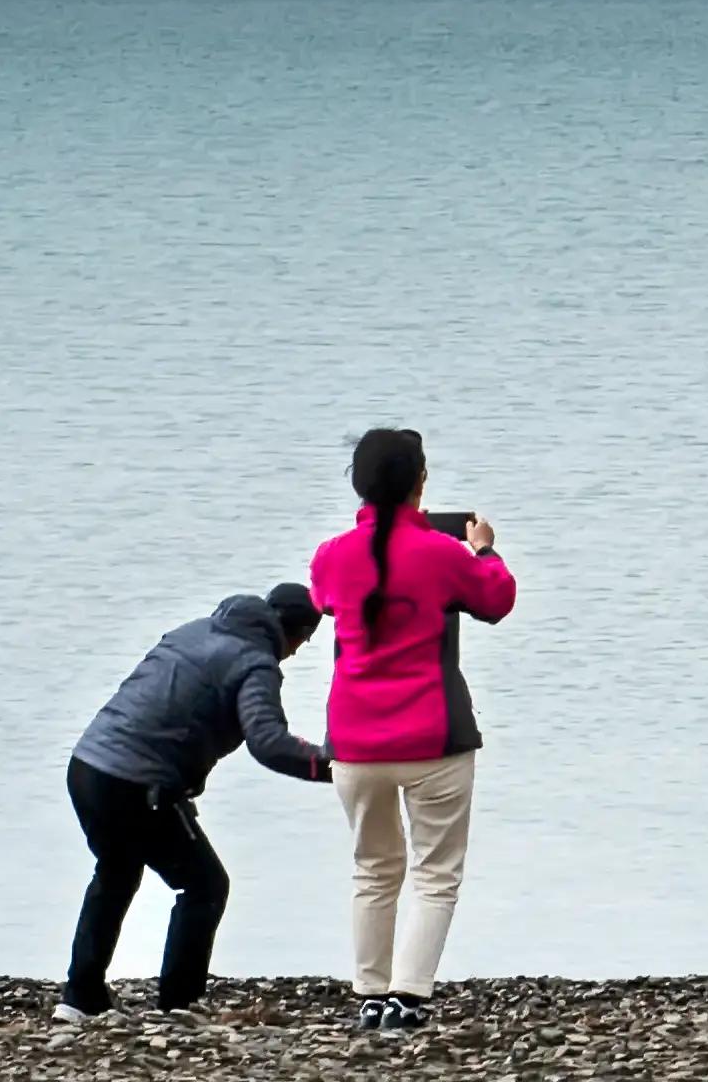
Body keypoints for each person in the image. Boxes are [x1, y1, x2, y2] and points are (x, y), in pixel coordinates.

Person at [304, 427, 516, 1036]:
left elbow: (322, 600)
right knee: (435, 871)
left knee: (372, 868)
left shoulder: (331, 555)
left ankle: (371, 993)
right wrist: (484, 550)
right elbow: (497, 600)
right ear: (420, 483)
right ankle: (408, 995)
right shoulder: (443, 554)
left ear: (358, 486)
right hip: (434, 737)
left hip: (355, 740)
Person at [51, 587, 327, 1019]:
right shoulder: (256, 664)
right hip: (138, 783)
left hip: (87, 765)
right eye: (304, 641)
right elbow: (268, 742)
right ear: (298, 632)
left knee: (116, 872)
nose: (295, 653)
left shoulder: (194, 630)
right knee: (205, 886)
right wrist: (337, 766)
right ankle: (180, 1006)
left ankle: (80, 997)